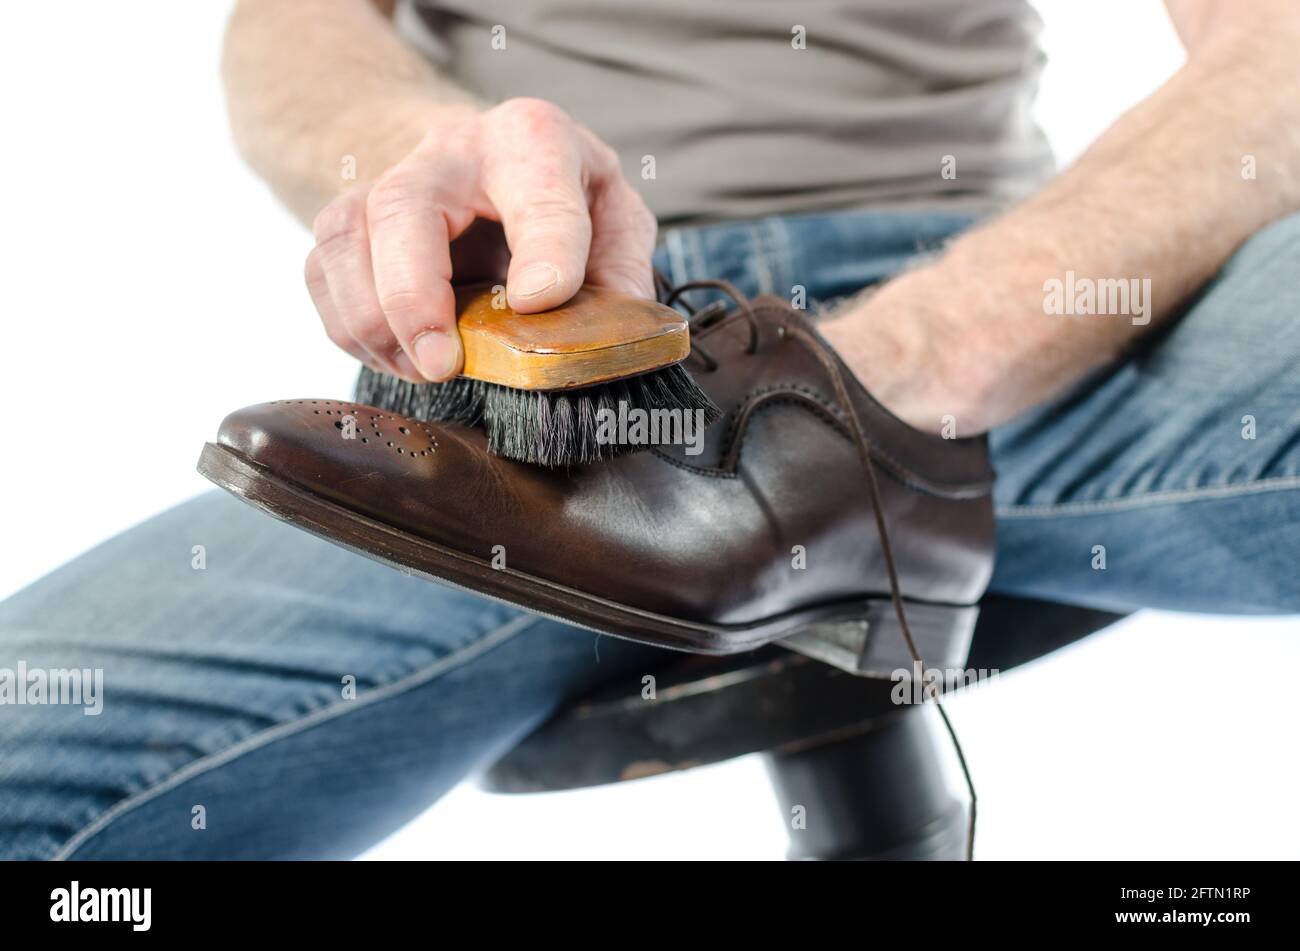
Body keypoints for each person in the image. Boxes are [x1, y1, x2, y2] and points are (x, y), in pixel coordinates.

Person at [1, 0, 1296, 859]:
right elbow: (296, 27)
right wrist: (423, 151)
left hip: (1027, 302)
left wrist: (911, 359)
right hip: (571, 376)